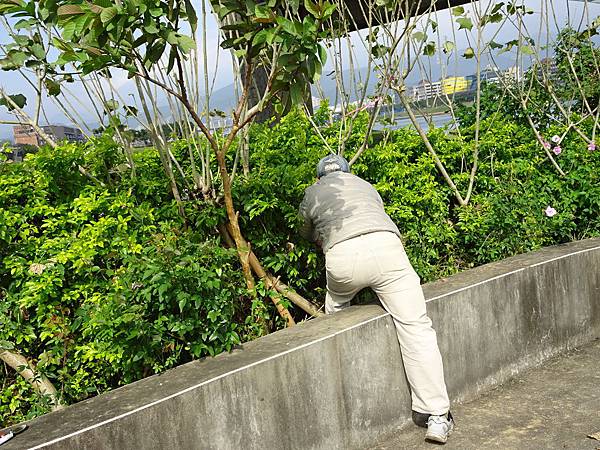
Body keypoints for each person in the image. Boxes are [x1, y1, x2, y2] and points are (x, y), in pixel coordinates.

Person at [299, 154, 454, 444]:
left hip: (343, 258)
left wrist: (319, 237)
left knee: (335, 308)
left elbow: (305, 230)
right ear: (348, 172)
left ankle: (347, 391)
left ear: (320, 178)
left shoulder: (314, 191)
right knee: (416, 328)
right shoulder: (364, 184)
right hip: (387, 248)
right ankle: (436, 416)